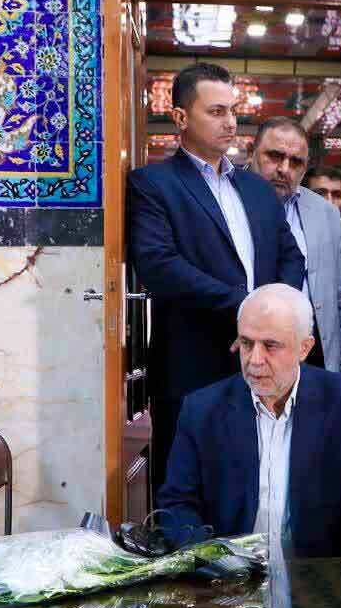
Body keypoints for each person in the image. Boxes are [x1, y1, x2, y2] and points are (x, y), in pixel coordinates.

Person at [127, 63, 305, 492]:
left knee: (258, 485)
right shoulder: (153, 184)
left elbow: (291, 256)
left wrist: (273, 316)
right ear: (181, 118)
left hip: (263, 364)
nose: (230, 123)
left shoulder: (256, 188)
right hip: (193, 364)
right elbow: (159, 265)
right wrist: (246, 309)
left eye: (233, 111)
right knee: (187, 489)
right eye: (216, 111)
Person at [157, 284, 341, 558]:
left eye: (270, 345)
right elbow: (177, 506)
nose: (255, 360)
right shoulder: (202, 410)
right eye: (246, 343)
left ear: (305, 348)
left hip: (316, 575)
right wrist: (214, 564)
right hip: (226, 576)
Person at [248, 117, 341, 373]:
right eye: (275, 156)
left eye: (296, 162)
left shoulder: (325, 213)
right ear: (252, 152)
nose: (284, 169)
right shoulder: (228, 200)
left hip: (313, 353)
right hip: (249, 352)